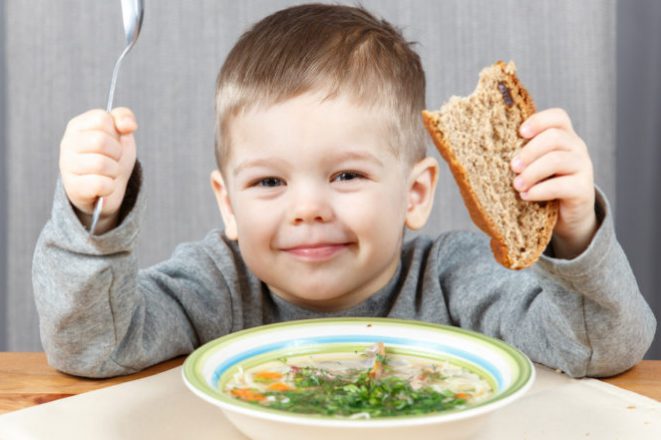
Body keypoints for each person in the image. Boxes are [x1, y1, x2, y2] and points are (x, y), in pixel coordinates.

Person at [33, 3, 655, 379]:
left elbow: (604, 349)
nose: (307, 208)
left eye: (347, 176)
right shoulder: (216, 285)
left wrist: (573, 235)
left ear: (415, 194)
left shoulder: (456, 279)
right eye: (269, 181)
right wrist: (97, 220)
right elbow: (93, 347)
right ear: (228, 203)